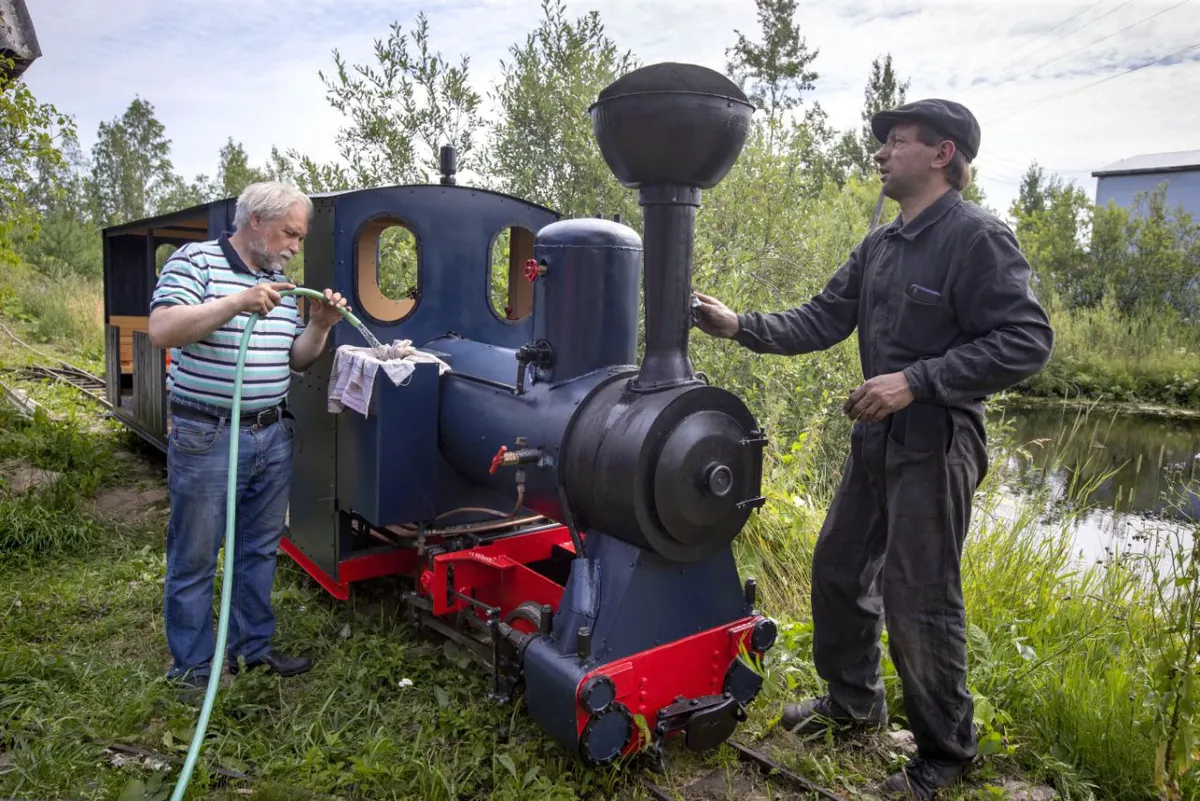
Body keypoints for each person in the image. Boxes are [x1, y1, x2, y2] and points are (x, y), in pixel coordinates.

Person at [693, 99, 1054, 798]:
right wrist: (739, 325)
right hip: (874, 440)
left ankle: (945, 755)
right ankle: (854, 705)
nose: (880, 154)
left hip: (938, 442)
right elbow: (822, 317)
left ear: (942, 154)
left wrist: (916, 381)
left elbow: (1025, 341)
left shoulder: (977, 238)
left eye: (897, 141)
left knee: (919, 597)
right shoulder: (882, 245)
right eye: (882, 143)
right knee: (837, 568)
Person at [148, 181, 350, 692]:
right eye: (290, 234)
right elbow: (164, 329)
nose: (295, 247)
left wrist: (321, 326)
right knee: (196, 553)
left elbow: (297, 360)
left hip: (270, 433)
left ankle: (250, 650)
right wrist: (237, 301)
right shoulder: (194, 263)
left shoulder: (281, 285)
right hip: (208, 435)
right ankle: (193, 668)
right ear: (256, 222)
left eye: (300, 239)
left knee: (258, 550)